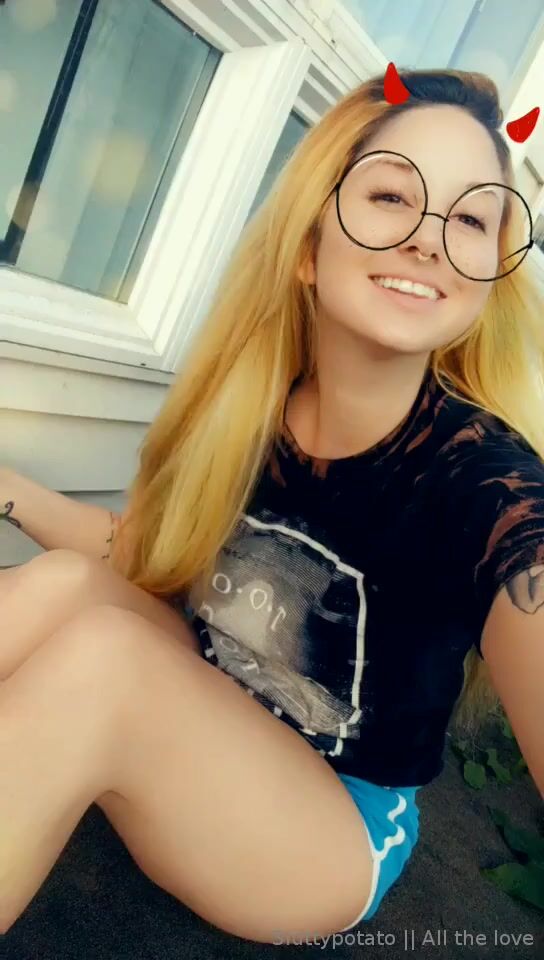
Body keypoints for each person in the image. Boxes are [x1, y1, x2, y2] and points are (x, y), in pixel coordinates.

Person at [1, 67, 543, 944]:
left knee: (106, 662)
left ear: (487, 278)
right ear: (307, 246)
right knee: (62, 585)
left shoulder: (485, 484)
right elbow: (138, 555)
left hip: (327, 830)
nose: (429, 240)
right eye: (392, 197)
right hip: (214, 706)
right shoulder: (250, 411)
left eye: (473, 219)